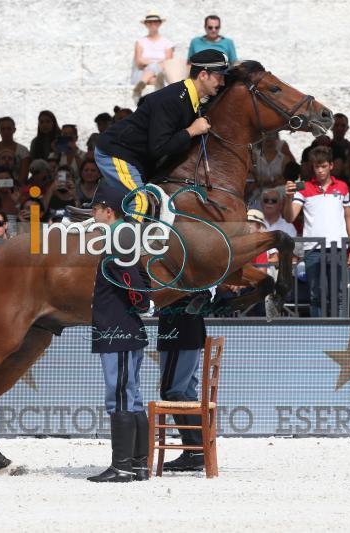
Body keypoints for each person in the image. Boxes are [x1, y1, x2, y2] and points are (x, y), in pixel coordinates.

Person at [95, 49, 228, 222]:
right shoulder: (172, 99)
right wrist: (192, 131)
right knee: (140, 201)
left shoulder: (190, 97)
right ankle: (128, 249)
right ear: (203, 75)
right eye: (220, 76)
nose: (223, 82)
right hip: (116, 153)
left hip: (135, 158)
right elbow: (159, 147)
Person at [86, 184, 150, 483]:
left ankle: (123, 467)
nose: (92, 213)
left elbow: (132, 279)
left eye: (95, 209)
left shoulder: (118, 237)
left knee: (121, 396)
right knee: (131, 396)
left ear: (107, 211)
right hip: (122, 329)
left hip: (118, 330)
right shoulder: (122, 234)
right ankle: (138, 465)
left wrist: (144, 303)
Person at [284, 146, 350, 317]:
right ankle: (319, 335)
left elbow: (349, 217)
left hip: (338, 247)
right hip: (313, 247)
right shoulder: (303, 187)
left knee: (339, 294)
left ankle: (340, 333)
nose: (320, 170)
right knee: (316, 295)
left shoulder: (343, 186)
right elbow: (290, 217)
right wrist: (288, 197)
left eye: (323, 166)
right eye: (316, 166)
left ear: (331, 165)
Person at [156, 296, 208, 472]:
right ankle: (196, 450)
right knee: (185, 392)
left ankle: (195, 450)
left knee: (172, 391)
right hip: (185, 329)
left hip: (179, 331)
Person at [131, 10, 175, 102]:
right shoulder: (140, 42)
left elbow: (168, 63)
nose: (152, 24)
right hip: (142, 73)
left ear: (159, 23)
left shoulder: (167, 43)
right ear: (146, 24)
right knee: (155, 72)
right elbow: (138, 62)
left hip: (160, 74)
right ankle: (149, 83)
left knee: (159, 71)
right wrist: (156, 63)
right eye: (150, 22)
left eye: (155, 21)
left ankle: (140, 86)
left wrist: (148, 62)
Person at [0, 116, 30, 184]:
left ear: (14, 130)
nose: (6, 131)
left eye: (9, 128)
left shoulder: (23, 151)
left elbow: (23, 178)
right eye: (3, 129)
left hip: (16, 187)